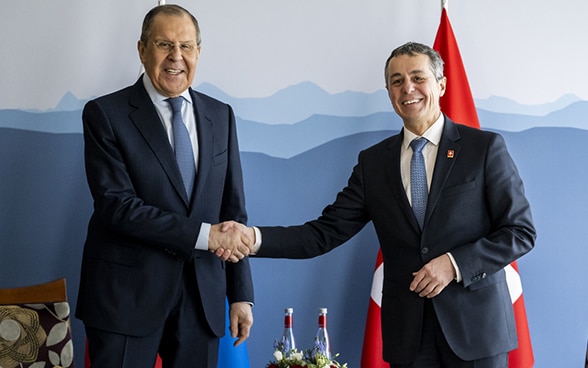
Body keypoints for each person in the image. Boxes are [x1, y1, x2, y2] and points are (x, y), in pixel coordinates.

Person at [221, 42, 536, 367]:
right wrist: (252, 239)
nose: (408, 88)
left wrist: (453, 264)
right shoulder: (374, 164)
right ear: (388, 92)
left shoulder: (483, 148)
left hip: (477, 333)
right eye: (397, 81)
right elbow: (323, 233)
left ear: (441, 84)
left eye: (418, 77)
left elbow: (520, 231)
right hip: (408, 339)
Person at [76, 4, 254, 368]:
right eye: (164, 45)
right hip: (125, 300)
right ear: (141, 50)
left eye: (186, 46)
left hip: (202, 299)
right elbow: (117, 206)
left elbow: (232, 210)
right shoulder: (105, 114)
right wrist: (206, 236)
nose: (176, 57)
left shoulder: (221, 116)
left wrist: (240, 294)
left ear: (199, 53)